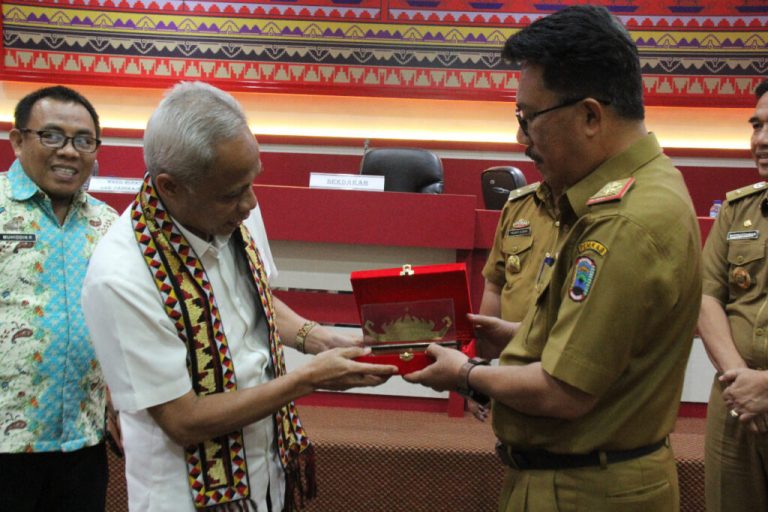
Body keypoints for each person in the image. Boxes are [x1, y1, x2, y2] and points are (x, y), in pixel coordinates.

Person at [405, 6, 702, 511]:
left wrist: (464, 373)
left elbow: (563, 392)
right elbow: (611, 350)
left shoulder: (621, 220)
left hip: (587, 491)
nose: (522, 141)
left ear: (590, 115)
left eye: (530, 117)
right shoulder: (647, 188)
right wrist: (521, 337)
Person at [81, 81, 398, 512]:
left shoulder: (231, 202)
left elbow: (255, 300)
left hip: (268, 471)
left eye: (252, 182)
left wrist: (318, 337)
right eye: (233, 193)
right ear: (170, 187)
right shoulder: (121, 275)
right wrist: (307, 379)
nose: (250, 203)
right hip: (187, 495)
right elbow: (183, 420)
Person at [0, 86, 119, 511]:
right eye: (51, 136)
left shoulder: (108, 224)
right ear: (17, 141)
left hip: (81, 442)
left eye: (83, 140)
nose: (69, 151)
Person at [698, 78, 768, 512]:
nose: (761, 140)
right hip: (735, 402)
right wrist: (739, 380)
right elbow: (706, 297)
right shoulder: (737, 210)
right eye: (756, 126)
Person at [467, 181, 559, 420]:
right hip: (515, 366)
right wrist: (479, 369)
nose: (526, 142)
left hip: (563, 366)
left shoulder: (601, 210)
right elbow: (494, 286)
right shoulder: (520, 205)